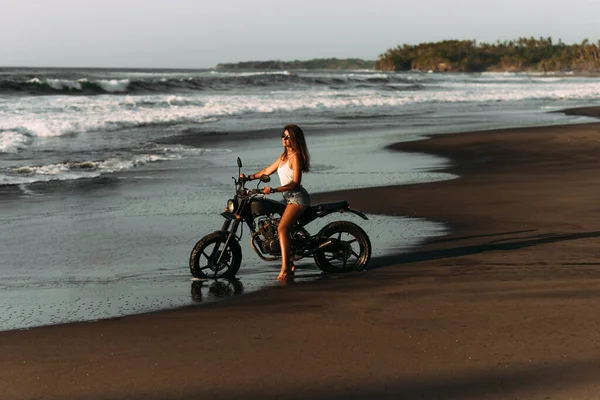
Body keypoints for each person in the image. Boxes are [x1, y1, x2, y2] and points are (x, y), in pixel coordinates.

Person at [240, 124, 311, 281]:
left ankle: (285, 269)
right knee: (273, 226)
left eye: (287, 137)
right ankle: (290, 262)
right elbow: (267, 171)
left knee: (282, 228)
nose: (284, 139)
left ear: (294, 139)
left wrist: (274, 190)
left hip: (298, 199)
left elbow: (296, 184)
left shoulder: (295, 157)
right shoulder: (284, 156)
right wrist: (248, 178)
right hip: (288, 199)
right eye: (283, 136)